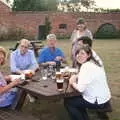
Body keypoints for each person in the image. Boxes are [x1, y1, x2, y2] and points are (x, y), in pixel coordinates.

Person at [64, 45, 111, 120]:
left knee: (69, 102)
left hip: (97, 100)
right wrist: (76, 76)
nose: (79, 55)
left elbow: (80, 89)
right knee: (76, 99)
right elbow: (87, 75)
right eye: (78, 53)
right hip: (104, 98)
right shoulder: (93, 63)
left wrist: (71, 82)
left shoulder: (85, 66)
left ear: (88, 55)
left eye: (82, 53)